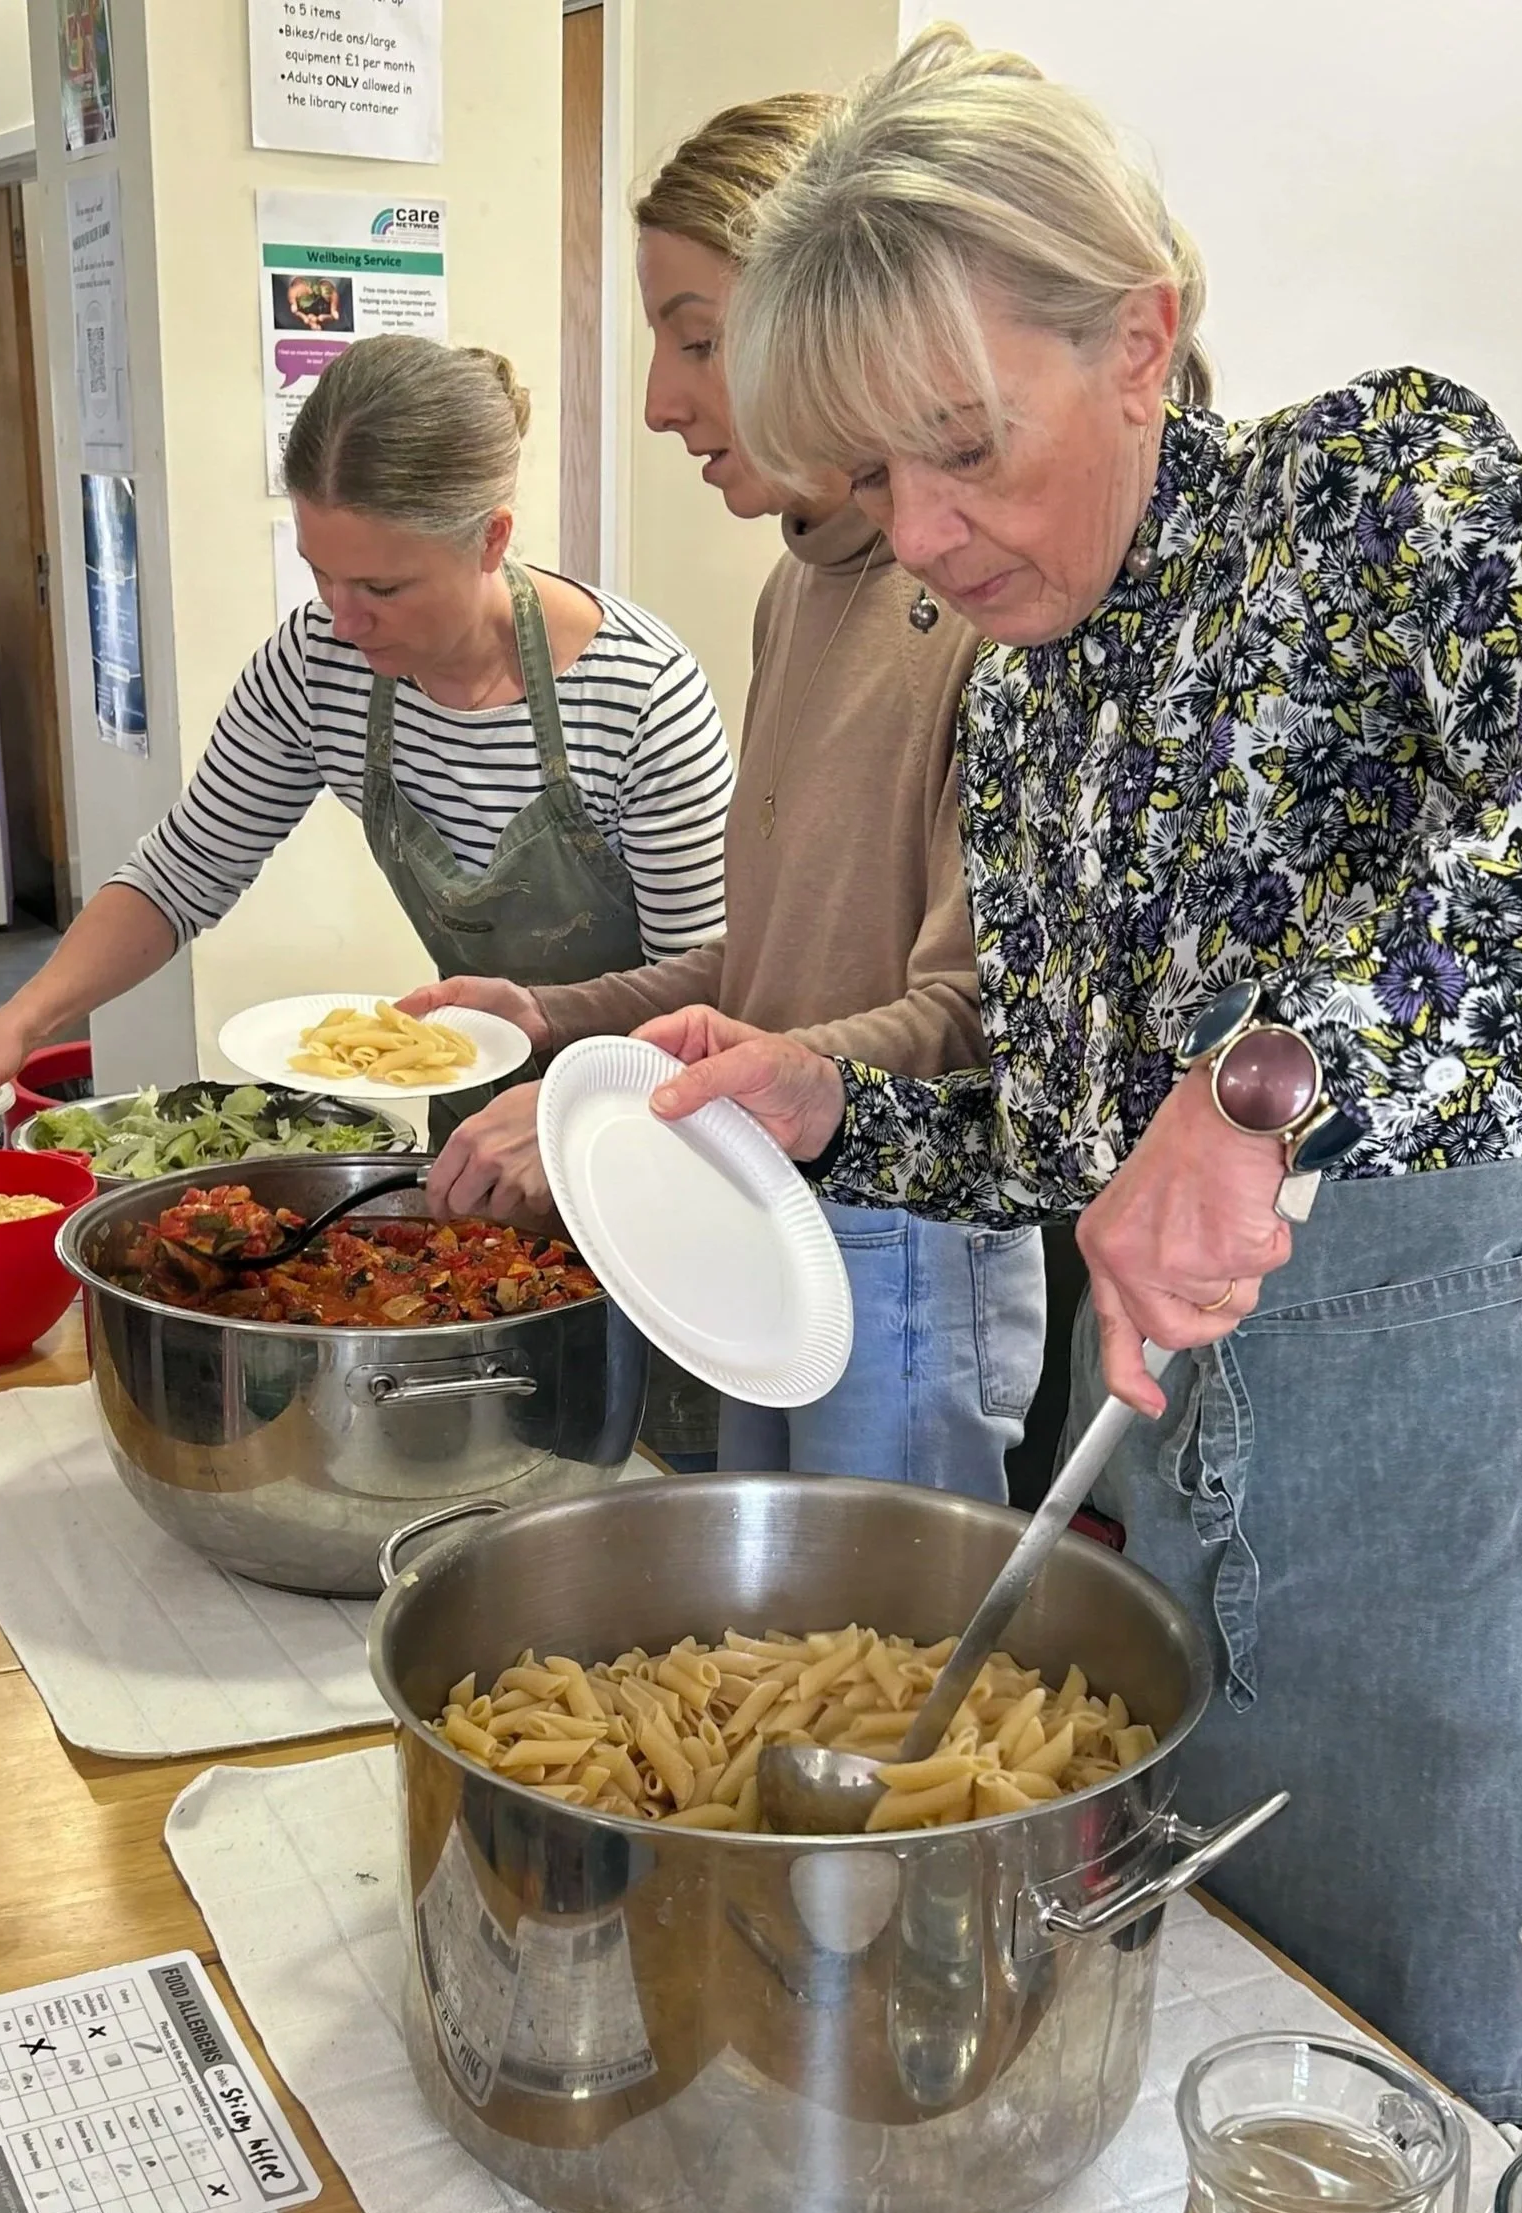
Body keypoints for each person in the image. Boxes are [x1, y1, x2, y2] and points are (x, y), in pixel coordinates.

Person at [619, 30, 1522, 2115]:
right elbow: (1071, 1138)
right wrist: (840, 1104)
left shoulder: (1358, 501)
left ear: (1137, 336)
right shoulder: (1016, 694)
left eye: (964, 450)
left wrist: (1270, 1075)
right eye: (873, 482)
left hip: (1437, 1520)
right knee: (1204, 2064)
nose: (924, 534)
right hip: (1163, 1514)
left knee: (1432, 2089)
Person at [400, 97, 1046, 1500]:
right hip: (767, 1197)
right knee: (767, 1644)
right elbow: (768, 966)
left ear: (824, 319)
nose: (656, 399)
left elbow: (972, 1018)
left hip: (907, 1237)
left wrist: (624, 1116)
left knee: (884, 1681)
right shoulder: (794, 586)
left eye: (695, 338)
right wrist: (549, 1017)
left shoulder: (987, 610)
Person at [0, 333, 734, 1144]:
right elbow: (181, 871)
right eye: (320, 573)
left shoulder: (639, 695)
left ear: (491, 538)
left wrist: (574, 1114)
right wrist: (21, 1019)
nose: (344, 620)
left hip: (647, 1120)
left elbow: (707, 992)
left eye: (383, 586)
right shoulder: (318, 664)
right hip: (472, 1118)